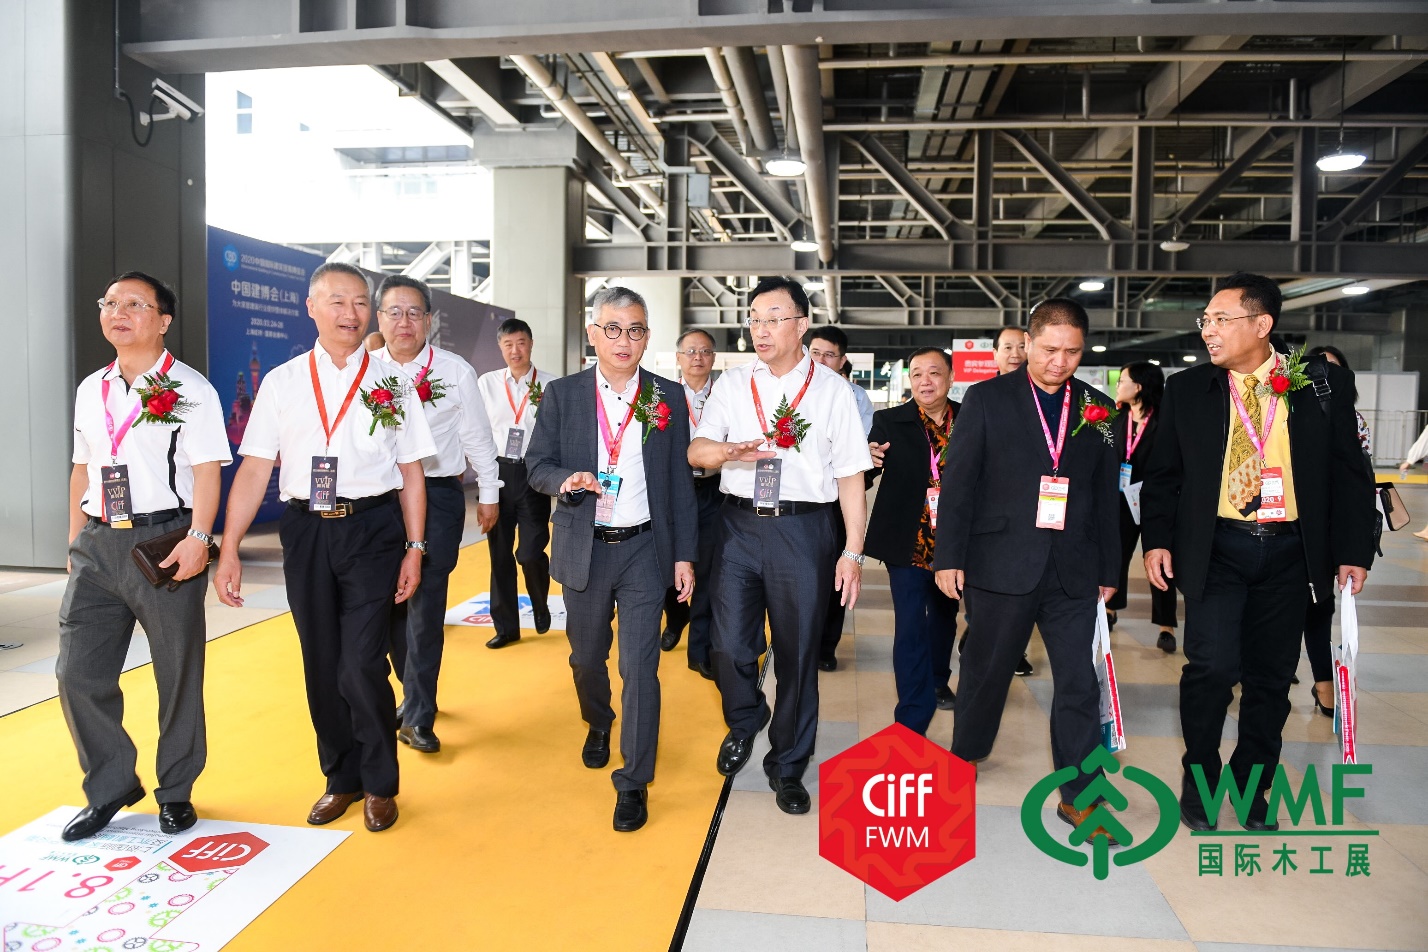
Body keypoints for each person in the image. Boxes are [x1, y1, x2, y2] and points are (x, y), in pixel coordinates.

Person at [1141, 272, 1375, 832]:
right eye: (1206, 320)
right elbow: (1164, 475)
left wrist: (1354, 550)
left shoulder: (1319, 385)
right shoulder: (1187, 390)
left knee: (1271, 679)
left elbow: (1351, 473)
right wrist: (1158, 541)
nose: (1208, 331)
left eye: (1221, 320)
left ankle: (1252, 787)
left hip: (1291, 552)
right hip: (1217, 549)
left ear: (1262, 324)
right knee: (1212, 668)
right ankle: (1200, 779)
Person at [214, 262, 436, 834]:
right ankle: (341, 778)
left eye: (359, 302)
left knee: (361, 662)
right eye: (336, 301)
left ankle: (380, 783)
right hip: (306, 530)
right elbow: (255, 467)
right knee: (321, 661)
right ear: (311, 307)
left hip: (373, 529)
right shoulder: (282, 381)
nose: (350, 313)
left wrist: (415, 546)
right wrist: (229, 546)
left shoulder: (393, 383)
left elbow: (411, 472)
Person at [933, 299, 1120, 841]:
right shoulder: (987, 399)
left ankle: (1081, 797)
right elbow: (959, 483)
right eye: (1050, 350)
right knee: (986, 670)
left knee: (1079, 682)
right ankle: (966, 751)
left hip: (1074, 568)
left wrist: (1109, 567)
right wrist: (949, 557)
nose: (1060, 362)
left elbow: (1105, 495)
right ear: (1029, 343)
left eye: (1073, 352)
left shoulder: (1100, 408)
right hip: (1000, 562)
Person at [57, 272, 232, 842]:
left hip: (165, 543)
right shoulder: (92, 388)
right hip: (97, 543)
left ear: (163, 320)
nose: (119, 312)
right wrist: (74, 539)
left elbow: (207, 471)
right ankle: (110, 785)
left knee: (177, 673)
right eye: (110, 302)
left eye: (135, 304)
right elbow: (82, 468)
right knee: (76, 672)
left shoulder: (191, 388)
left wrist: (200, 538)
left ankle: (176, 790)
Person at [689, 276, 872, 816]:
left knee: (797, 654)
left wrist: (853, 552)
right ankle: (747, 716)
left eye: (773, 319)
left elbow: (851, 477)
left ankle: (788, 764)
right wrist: (727, 452)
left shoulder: (833, 391)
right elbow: (696, 452)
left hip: (804, 530)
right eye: (754, 319)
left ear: (801, 325)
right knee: (726, 646)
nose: (761, 329)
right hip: (738, 526)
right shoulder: (731, 383)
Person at [526, 287, 697, 833]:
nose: (625, 340)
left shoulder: (667, 395)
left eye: (636, 330)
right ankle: (598, 720)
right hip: (586, 546)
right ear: (593, 333)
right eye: (614, 328)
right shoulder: (564, 394)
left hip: (646, 549)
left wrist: (684, 556)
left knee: (640, 668)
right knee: (586, 658)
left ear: (647, 338)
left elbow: (680, 484)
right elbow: (536, 465)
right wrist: (566, 479)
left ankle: (634, 780)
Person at [373, 275, 501, 752]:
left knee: (426, 606)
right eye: (394, 312)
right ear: (380, 318)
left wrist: (489, 492)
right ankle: (413, 691)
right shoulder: (364, 372)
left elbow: (476, 436)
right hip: (380, 498)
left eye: (414, 313)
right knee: (385, 603)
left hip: (438, 495)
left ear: (429, 320)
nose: (404, 322)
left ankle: (419, 716)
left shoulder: (454, 370)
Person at [865, 347, 961, 731]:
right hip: (906, 540)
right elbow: (866, 473)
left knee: (944, 616)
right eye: (917, 373)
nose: (925, 381)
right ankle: (911, 715)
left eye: (934, 373)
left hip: (954, 542)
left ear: (950, 378)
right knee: (910, 624)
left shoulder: (970, 420)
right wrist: (867, 458)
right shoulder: (889, 421)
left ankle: (937, 678)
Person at [1297, 345, 1371, 714]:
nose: (1322, 376)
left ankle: (1324, 682)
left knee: (1319, 606)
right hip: (1290, 524)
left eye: (1332, 370)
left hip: (1329, 528)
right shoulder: (1289, 413)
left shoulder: (1353, 421)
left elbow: (1356, 477)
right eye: (1316, 368)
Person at [959, 324, 1036, 678]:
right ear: (994, 354)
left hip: (1035, 516)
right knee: (988, 596)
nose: (1015, 353)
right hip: (990, 519)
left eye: (1021, 346)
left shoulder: (1051, 399)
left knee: (1025, 590)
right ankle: (980, 637)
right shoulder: (981, 397)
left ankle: (1013, 650)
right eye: (1007, 347)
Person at [476, 319, 559, 648]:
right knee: (499, 554)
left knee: (529, 552)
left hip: (534, 473)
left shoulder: (550, 385)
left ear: (531, 344)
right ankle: (506, 627)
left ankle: (540, 603)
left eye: (521, 342)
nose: (515, 350)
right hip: (497, 473)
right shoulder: (486, 384)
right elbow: (478, 431)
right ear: (500, 347)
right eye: (508, 344)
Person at [807, 325, 872, 671]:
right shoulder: (793, 390)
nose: (820, 360)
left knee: (837, 570)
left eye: (828, 355)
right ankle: (800, 639)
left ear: (842, 360)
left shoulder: (855, 398)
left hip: (838, 498)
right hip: (802, 499)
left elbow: (857, 452)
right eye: (815, 353)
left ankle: (826, 646)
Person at [659, 328, 722, 680]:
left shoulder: (726, 394)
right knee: (671, 562)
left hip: (713, 490)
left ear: (713, 357)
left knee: (709, 570)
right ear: (678, 358)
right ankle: (675, 619)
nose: (698, 357)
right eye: (691, 351)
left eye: (705, 351)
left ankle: (700, 649)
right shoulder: (663, 396)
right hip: (673, 491)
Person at [1107, 361, 1178, 653]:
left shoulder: (1165, 420)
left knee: (1160, 561)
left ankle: (1166, 625)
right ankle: (1110, 609)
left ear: (1138, 387)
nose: (1117, 385)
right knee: (1117, 555)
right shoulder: (1116, 419)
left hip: (1154, 500)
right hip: (1122, 498)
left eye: (1122, 380)